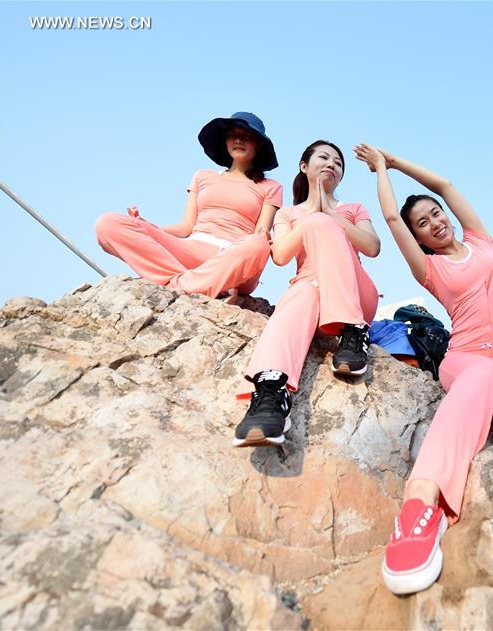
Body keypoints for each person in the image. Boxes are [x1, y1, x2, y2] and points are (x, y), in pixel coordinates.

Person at [354, 143, 493, 595]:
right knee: (479, 375)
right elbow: (392, 220)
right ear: (419, 238)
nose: (434, 223)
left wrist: (398, 160)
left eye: (436, 215)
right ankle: (419, 509)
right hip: (468, 357)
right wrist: (382, 172)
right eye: (423, 224)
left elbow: (445, 185)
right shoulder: (431, 269)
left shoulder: (482, 243)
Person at [233, 140, 381, 447]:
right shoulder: (287, 213)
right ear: (304, 166)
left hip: (355, 294)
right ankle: (271, 392)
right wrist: (313, 214)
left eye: (338, 162)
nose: (332, 164)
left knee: (319, 233)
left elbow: (372, 246)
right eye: (323, 157)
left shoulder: (353, 208)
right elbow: (281, 255)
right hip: (310, 293)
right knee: (302, 293)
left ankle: (354, 332)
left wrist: (329, 215)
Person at [95, 112, 282, 301]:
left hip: (233, 258)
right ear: (225, 141)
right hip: (192, 250)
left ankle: (191, 283)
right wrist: (147, 227)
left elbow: (261, 231)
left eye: (247, 136)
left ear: (258, 145)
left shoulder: (270, 187)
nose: (238, 140)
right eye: (233, 135)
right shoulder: (203, 175)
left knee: (259, 243)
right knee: (108, 223)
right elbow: (186, 226)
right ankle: (196, 284)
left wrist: (260, 241)